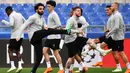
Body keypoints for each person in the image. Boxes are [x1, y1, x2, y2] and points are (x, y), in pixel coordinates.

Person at [16, 3, 72, 73]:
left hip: (38, 39)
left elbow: (44, 26)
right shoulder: (32, 17)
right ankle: (66, 31)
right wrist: (18, 35)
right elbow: (23, 26)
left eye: (43, 9)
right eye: (40, 9)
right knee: (49, 31)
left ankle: (32, 71)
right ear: (36, 10)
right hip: (34, 36)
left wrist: (45, 27)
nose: (42, 10)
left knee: (39, 58)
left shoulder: (42, 19)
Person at [1, 6, 25, 73]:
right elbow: (25, 22)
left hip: (14, 36)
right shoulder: (19, 14)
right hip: (21, 35)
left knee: (10, 50)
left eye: (6, 13)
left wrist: (4, 21)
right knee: (17, 50)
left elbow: (11, 24)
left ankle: (13, 66)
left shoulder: (11, 15)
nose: (7, 14)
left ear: (8, 11)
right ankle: (20, 66)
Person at [107, 2, 130, 73]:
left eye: (112, 6)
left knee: (121, 52)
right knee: (113, 52)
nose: (111, 7)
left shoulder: (117, 15)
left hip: (119, 37)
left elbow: (116, 27)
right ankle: (118, 67)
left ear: (116, 7)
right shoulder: (114, 15)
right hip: (114, 37)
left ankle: (129, 67)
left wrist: (109, 33)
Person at [43, 1, 64, 73]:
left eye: (49, 6)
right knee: (44, 51)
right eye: (47, 6)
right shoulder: (50, 14)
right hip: (50, 37)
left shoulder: (54, 14)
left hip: (55, 37)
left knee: (55, 53)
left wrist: (50, 28)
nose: (47, 8)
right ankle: (49, 67)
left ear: (53, 7)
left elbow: (59, 24)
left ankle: (61, 69)